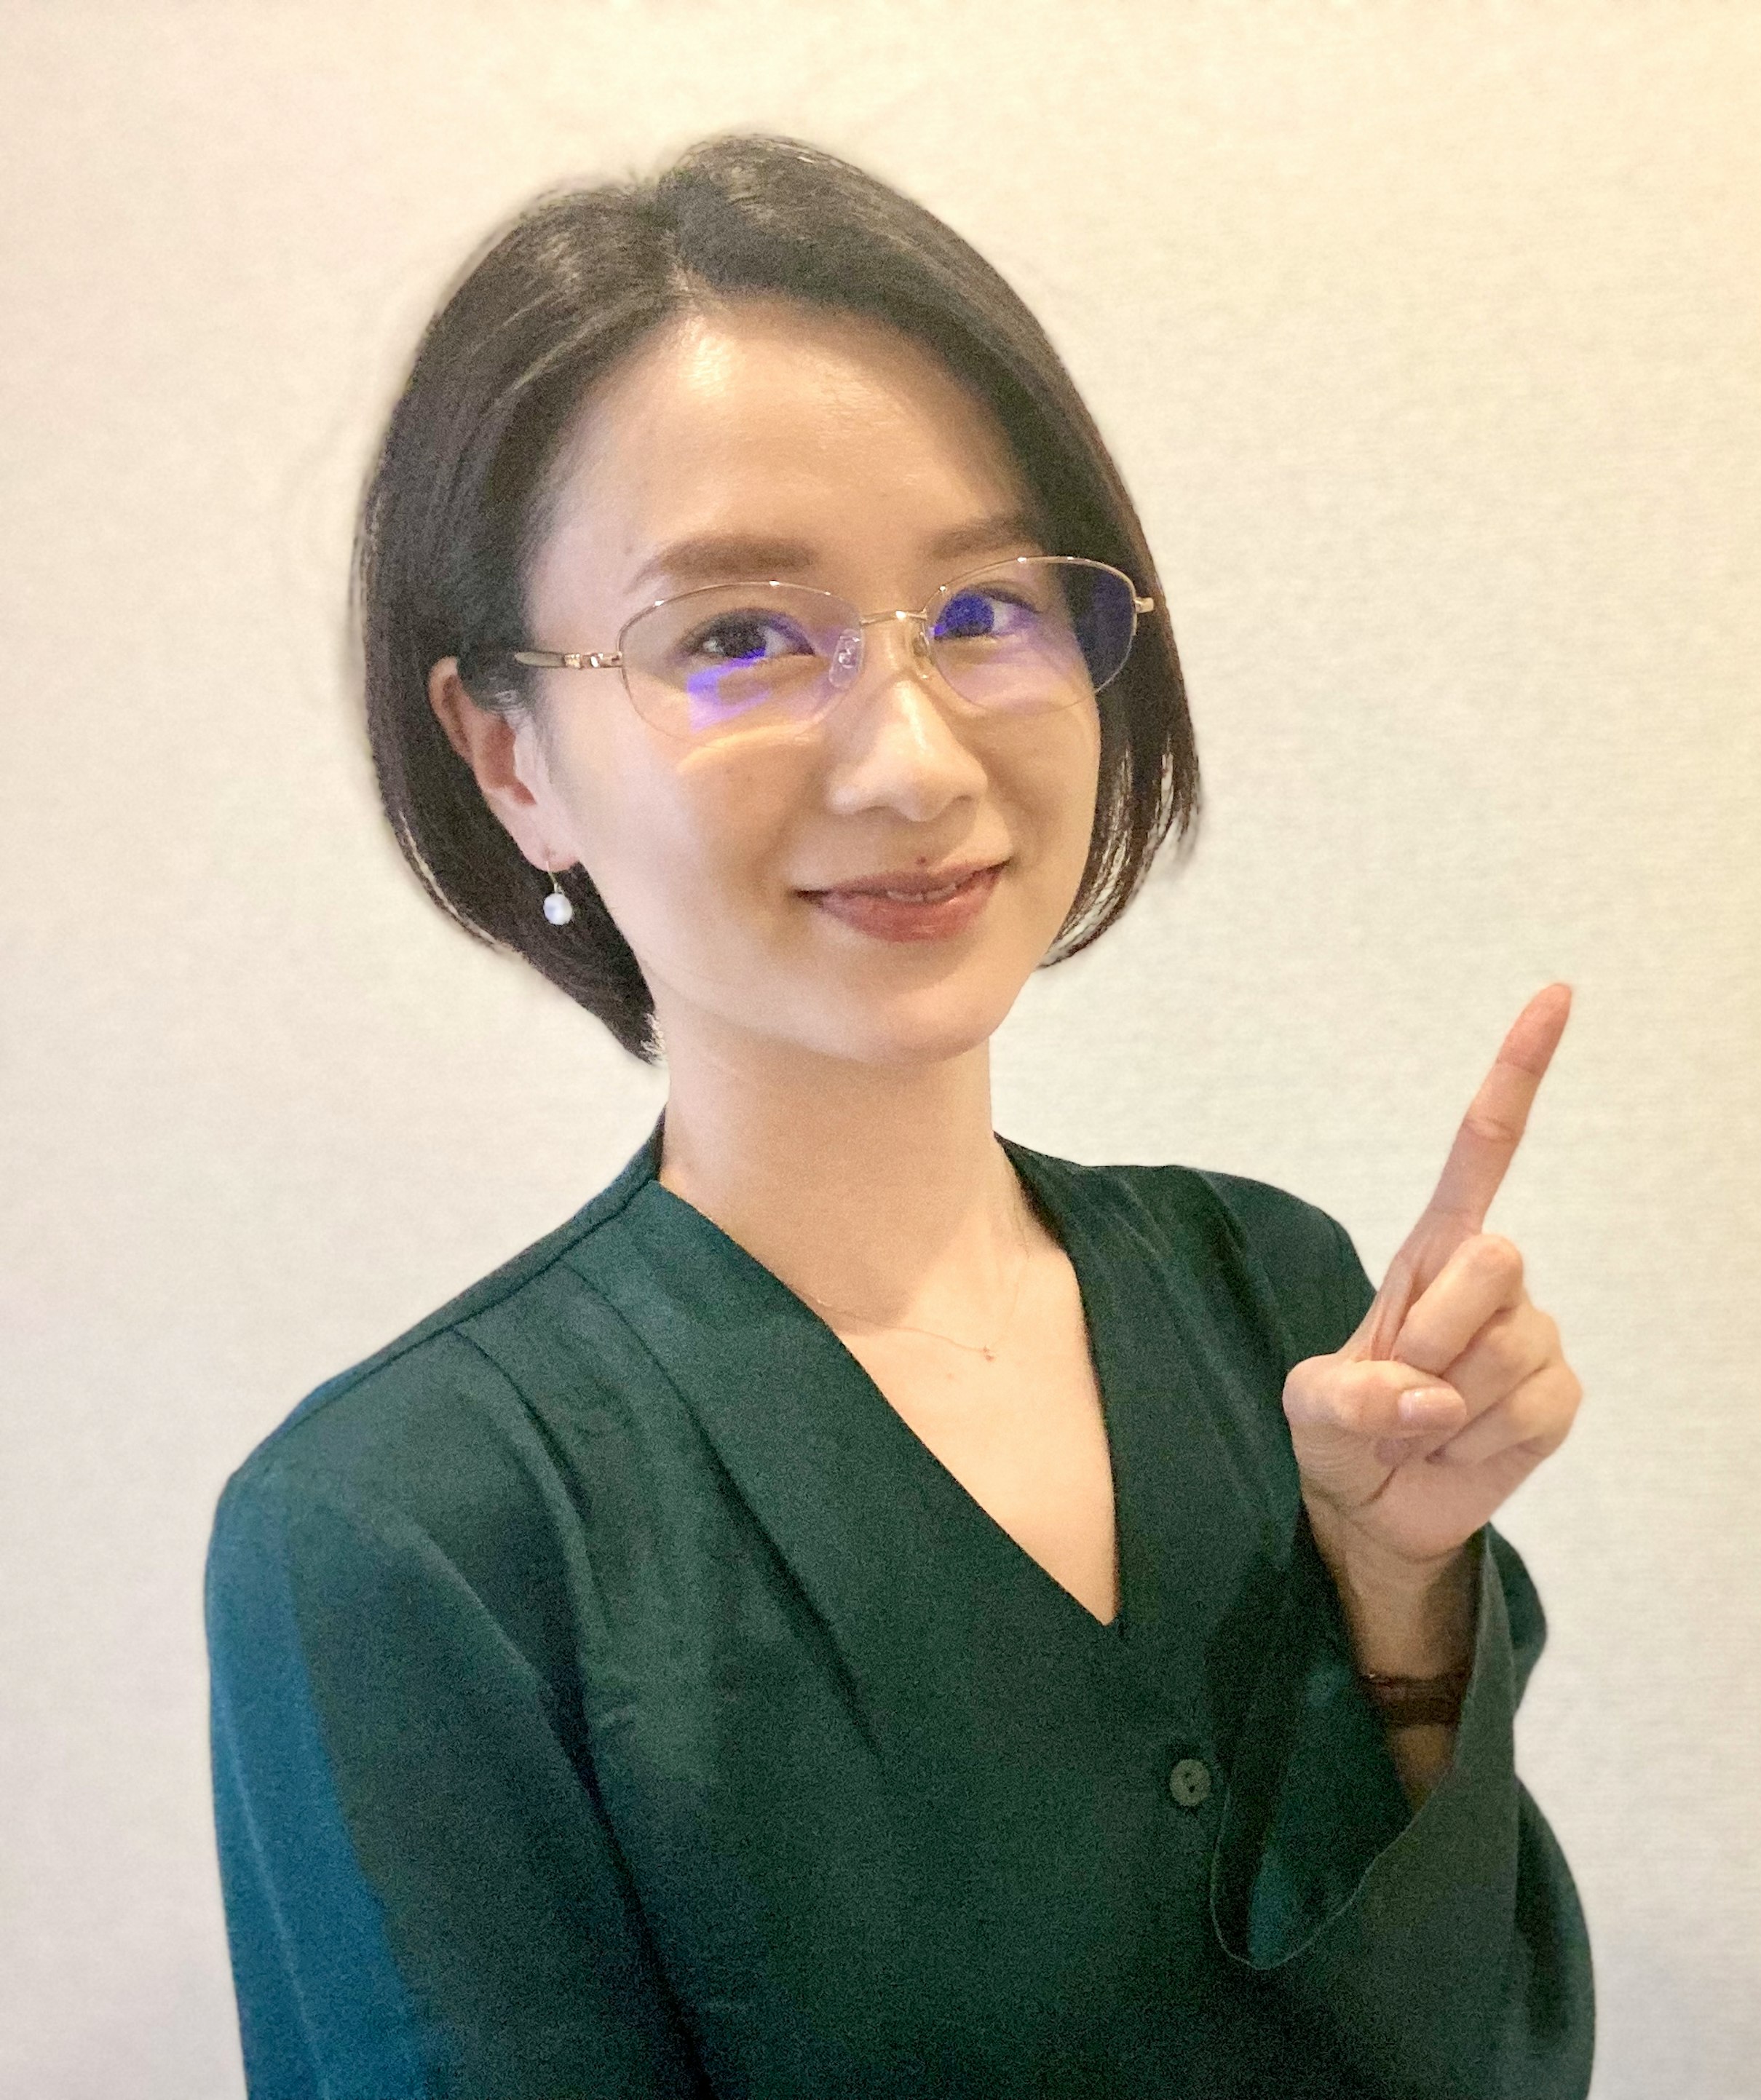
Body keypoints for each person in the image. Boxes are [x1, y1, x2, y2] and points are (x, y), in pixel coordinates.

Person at [201, 132, 1594, 2099]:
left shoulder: (1276, 1305)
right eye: (740, 639)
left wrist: (1396, 1594)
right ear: (510, 753)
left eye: (990, 607)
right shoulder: (410, 1534)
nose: (918, 757)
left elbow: (1476, 2050)